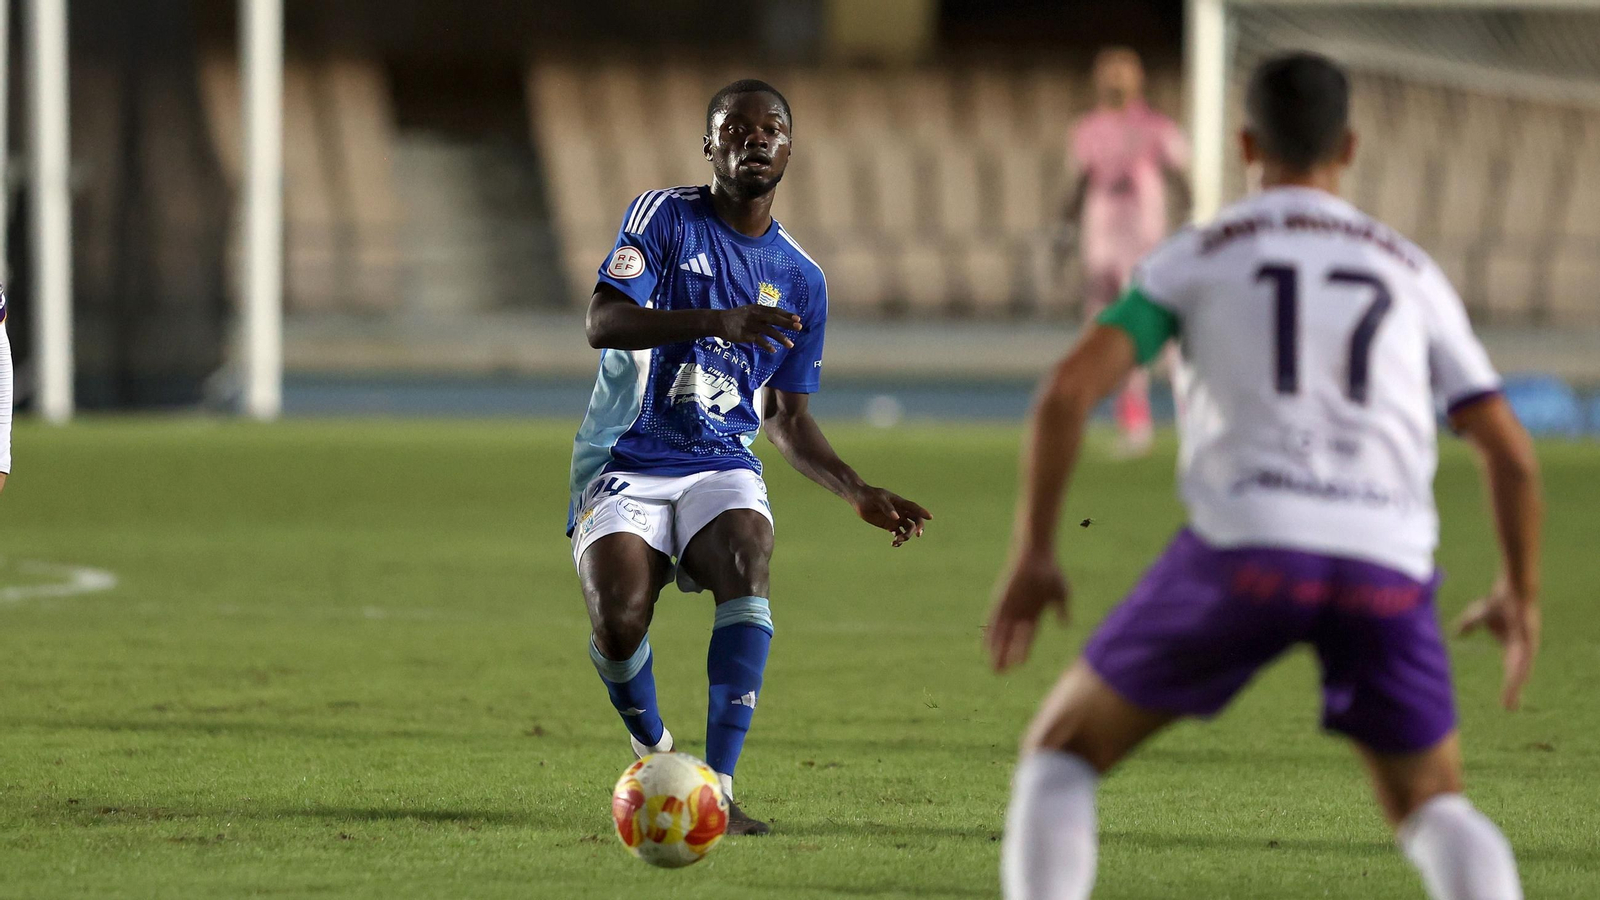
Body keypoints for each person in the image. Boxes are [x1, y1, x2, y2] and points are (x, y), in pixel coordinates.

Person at [989, 53, 1539, 900]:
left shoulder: (1200, 254)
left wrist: (1034, 552)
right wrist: (1520, 591)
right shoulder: (1412, 271)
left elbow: (1066, 392)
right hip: (1385, 566)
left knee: (1063, 753)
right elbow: (1508, 451)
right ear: (1348, 147)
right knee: (1434, 805)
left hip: (1245, 552)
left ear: (1244, 142)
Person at [570, 80, 932, 836]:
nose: (755, 138)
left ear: (790, 149)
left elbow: (787, 418)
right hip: (625, 458)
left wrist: (855, 489)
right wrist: (717, 320)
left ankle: (720, 793)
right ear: (710, 145)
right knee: (619, 617)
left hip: (718, 460)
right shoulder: (663, 218)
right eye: (736, 128)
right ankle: (656, 753)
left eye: (772, 128)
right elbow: (603, 320)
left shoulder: (802, 279)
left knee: (747, 551)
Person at [1062, 47, 1190, 457]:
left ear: (1139, 78)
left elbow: (1182, 182)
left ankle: (1194, 419)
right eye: (1109, 69)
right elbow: (1078, 184)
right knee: (1108, 335)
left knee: (1165, 338)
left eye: (1124, 69)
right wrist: (1064, 232)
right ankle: (1134, 423)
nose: (1115, 77)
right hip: (1101, 244)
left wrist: (1189, 233)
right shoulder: (1086, 129)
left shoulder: (1156, 127)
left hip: (1145, 244)